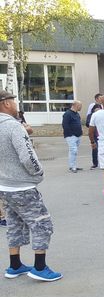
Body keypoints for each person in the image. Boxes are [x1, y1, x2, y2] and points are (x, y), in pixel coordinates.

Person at [0, 90, 62, 282]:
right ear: (6, 103)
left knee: (14, 224)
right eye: (13, 100)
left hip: (4, 186)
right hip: (22, 186)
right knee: (42, 224)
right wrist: (38, 172)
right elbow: (28, 157)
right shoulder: (14, 127)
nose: (16, 104)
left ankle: (15, 264)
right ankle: (40, 267)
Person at [62, 100, 83, 173]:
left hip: (78, 135)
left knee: (73, 151)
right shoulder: (67, 114)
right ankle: (72, 167)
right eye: (80, 106)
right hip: (71, 136)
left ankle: (73, 165)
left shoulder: (77, 114)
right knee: (73, 150)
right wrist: (71, 134)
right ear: (75, 105)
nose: (81, 107)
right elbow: (65, 125)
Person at [86, 103, 102, 169]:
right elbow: (87, 124)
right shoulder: (90, 115)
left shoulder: (103, 115)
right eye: (97, 110)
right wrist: (93, 124)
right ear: (94, 110)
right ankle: (95, 163)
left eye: (99, 110)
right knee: (95, 149)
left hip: (102, 134)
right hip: (95, 134)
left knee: (102, 149)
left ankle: (103, 163)